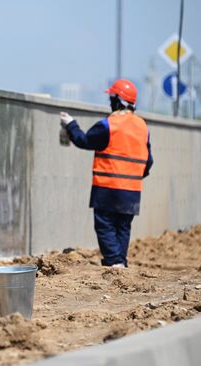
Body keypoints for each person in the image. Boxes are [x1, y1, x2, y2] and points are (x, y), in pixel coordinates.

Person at [60, 79, 153, 268]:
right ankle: (120, 262)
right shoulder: (143, 127)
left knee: (105, 225)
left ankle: (114, 262)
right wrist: (134, 175)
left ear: (117, 101)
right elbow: (148, 160)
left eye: (111, 99)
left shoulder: (109, 124)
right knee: (123, 227)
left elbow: (84, 140)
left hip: (107, 187)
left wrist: (71, 125)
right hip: (132, 190)